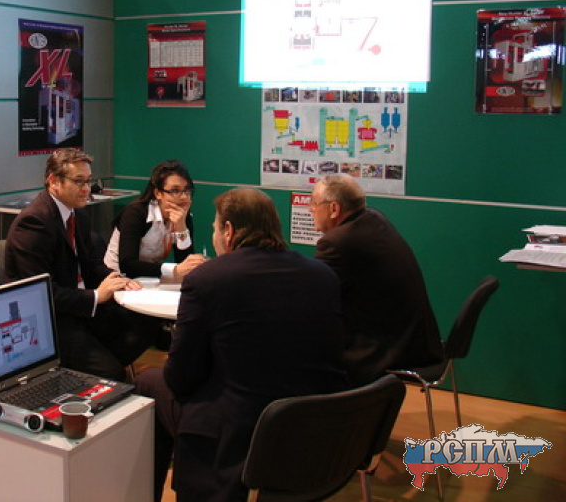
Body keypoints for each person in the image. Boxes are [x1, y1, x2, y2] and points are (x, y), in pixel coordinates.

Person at [136, 187, 349, 502]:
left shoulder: (209, 278)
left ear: (229, 230)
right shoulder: (323, 276)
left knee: (148, 381)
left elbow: (180, 378)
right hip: (315, 427)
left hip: (240, 433)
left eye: (214, 227)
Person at [5, 148, 160, 382]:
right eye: (79, 181)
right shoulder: (34, 223)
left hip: (80, 306)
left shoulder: (77, 215)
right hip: (51, 319)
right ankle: (91, 377)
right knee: (109, 372)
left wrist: (115, 279)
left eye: (88, 181)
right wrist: (96, 296)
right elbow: (40, 293)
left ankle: (86, 375)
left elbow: (91, 265)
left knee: (147, 325)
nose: (87, 189)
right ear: (53, 181)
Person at [309, 174, 444, 386]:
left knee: (304, 347)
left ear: (334, 208)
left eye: (314, 203)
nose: (310, 209)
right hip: (415, 340)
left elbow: (312, 294)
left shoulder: (338, 241)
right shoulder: (375, 220)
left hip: (387, 349)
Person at [104, 159, 206, 279]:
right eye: (175, 191)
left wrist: (181, 227)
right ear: (158, 193)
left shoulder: (182, 215)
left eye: (186, 190)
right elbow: (127, 265)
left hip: (151, 279)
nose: (183, 197)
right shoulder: (136, 213)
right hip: (118, 278)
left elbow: (185, 264)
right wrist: (173, 270)